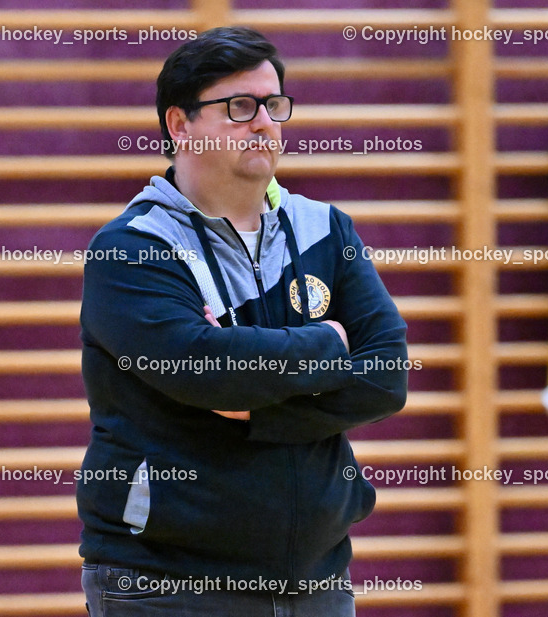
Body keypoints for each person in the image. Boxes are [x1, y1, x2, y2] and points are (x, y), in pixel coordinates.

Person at [76, 26, 408, 617]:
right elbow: (203, 369)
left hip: (317, 581)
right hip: (169, 586)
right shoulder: (130, 249)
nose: (265, 123)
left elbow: (385, 375)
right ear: (180, 126)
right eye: (239, 107)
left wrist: (257, 405)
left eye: (274, 105)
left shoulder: (327, 230)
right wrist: (328, 345)